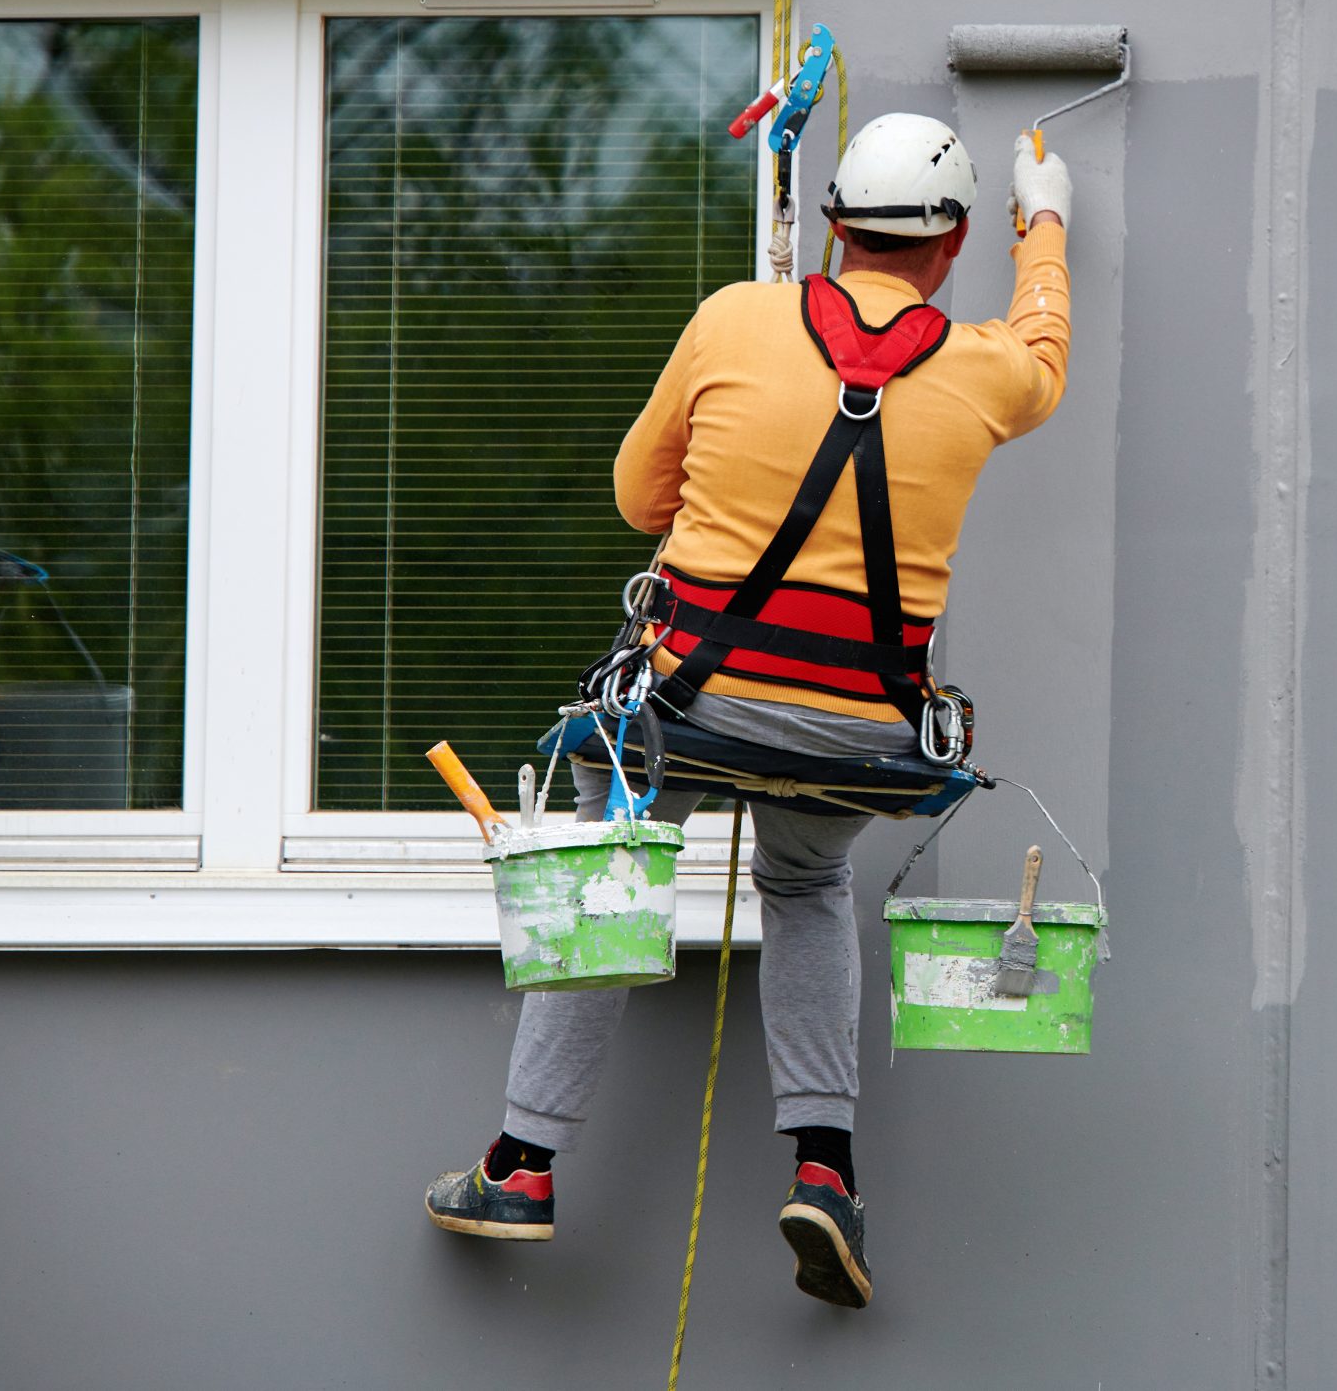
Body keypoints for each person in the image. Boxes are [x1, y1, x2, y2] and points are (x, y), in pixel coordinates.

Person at [422, 116, 1072, 1311]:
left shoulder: (733, 318)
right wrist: (1046, 223)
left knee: (612, 876)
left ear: (832, 229)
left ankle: (520, 1167)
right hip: (861, 732)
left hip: (684, 706)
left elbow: (639, 500)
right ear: (952, 244)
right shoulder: (989, 370)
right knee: (808, 884)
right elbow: (1045, 345)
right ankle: (825, 1172)